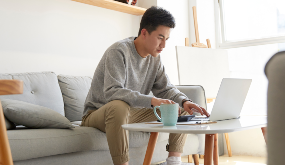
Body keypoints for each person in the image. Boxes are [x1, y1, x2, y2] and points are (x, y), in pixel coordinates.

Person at [81, 6, 210, 165]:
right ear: (144, 33)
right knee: (118, 106)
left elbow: (166, 88)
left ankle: (174, 161)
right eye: (160, 37)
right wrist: (152, 101)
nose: (163, 45)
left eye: (166, 39)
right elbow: (112, 92)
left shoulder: (154, 58)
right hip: (98, 113)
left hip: (129, 112)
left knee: (178, 111)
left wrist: (184, 101)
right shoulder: (119, 51)